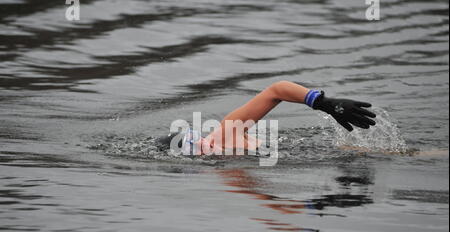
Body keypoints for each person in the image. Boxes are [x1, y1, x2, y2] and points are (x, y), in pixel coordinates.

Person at [156, 81, 377, 155]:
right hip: (319, 152)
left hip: (320, 151)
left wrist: (324, 103)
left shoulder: (223, 135)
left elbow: (276, 90)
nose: (207, 144)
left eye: (199, 140)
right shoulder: (223, 161)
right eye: (198, 146)